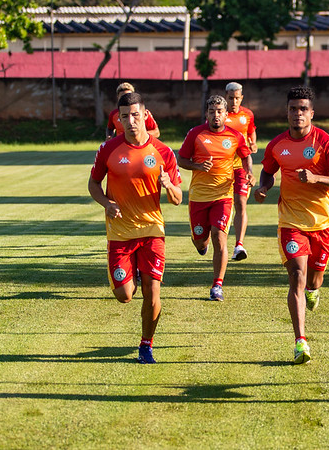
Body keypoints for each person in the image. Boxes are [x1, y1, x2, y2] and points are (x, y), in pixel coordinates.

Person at [254, 86, 329, 364]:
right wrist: (263, 187)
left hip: (321, 222)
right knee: (297, 274)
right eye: (293, 109)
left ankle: (314, 289)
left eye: (302, 109)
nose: (297, 114)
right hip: (290, 221)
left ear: (311, 113)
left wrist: (317, 179)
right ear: (287, 112)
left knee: (313, 278)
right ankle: (300, 342)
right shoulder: (277, 145)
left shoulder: (325, 142)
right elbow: (268, 169)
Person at [88, 91, 183, 364]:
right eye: (125, 117)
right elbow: (93, 184)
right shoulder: (108, 149)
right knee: (124, 296)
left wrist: (168, 186)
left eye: (136, 116)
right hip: (120, 233)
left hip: (153, 230)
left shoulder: (163, 152)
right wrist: (106, 203)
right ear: (119, 119)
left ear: (145, 116)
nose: (131, 121)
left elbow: (177, 199)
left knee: (153, 293)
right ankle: (133, 278)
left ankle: (146, 345)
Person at [178, 94, 255, 301]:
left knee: (219, 237)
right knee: (200, 241)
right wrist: (197, 166)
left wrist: (249, 173)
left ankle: (217, 286)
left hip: (223, 196)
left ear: (226, 114)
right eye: (212, 112)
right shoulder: (195, 134)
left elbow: (246, 155)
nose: (216, 116)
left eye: (219, 112)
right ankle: (200, 245)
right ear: (206, 114)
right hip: (199, 197)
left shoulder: (234, 136)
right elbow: (181, 159)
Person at [223, 82, 258, 261]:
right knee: (223, 206)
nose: (234, 101)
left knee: (241, 204)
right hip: (222, 168)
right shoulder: (219, 114)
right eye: (230, 98)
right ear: (225, 97)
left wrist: (253, 143)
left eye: (237, 98)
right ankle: (209, 239)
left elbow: (251, 132)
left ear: (241, 98)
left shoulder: (248, 115)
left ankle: (239, 246)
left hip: (241, 166)